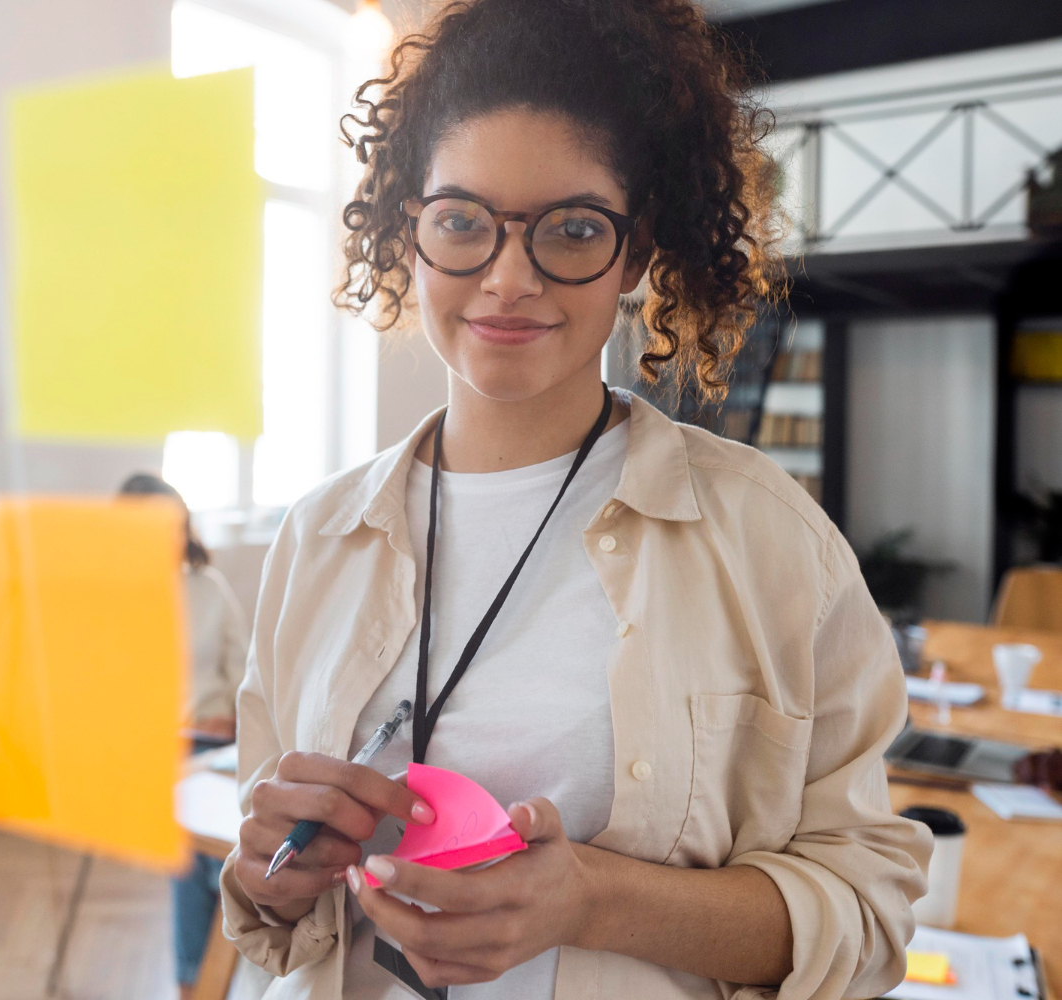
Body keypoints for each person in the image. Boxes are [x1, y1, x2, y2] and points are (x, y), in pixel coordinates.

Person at [218, 2, 932, 998]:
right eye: (462, 220)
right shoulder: (319, 536)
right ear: (408, 232)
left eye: (572, 229)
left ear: (635, 255)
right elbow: (273, 908)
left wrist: (594, 897)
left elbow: (868, 911)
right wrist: (269, 868)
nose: (509, 279)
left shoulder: (766, 538)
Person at [119, 473, 250, 999]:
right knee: (204, 855)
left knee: (207, 851)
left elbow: (246, 669)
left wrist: (234, 716)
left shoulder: (209, 590)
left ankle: (197, 979)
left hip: (218, 744)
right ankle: (200, 976)